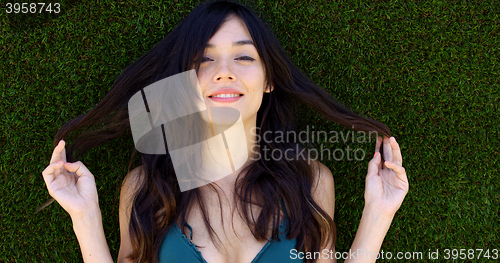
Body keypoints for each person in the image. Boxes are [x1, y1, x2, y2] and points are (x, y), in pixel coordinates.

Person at [41, 1, 409, 262]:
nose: (224, 71)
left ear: (268, 81)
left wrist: (379, 213)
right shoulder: (145, 188)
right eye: (204, 59)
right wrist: (84, 216)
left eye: (244, 57)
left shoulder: (310, 181)